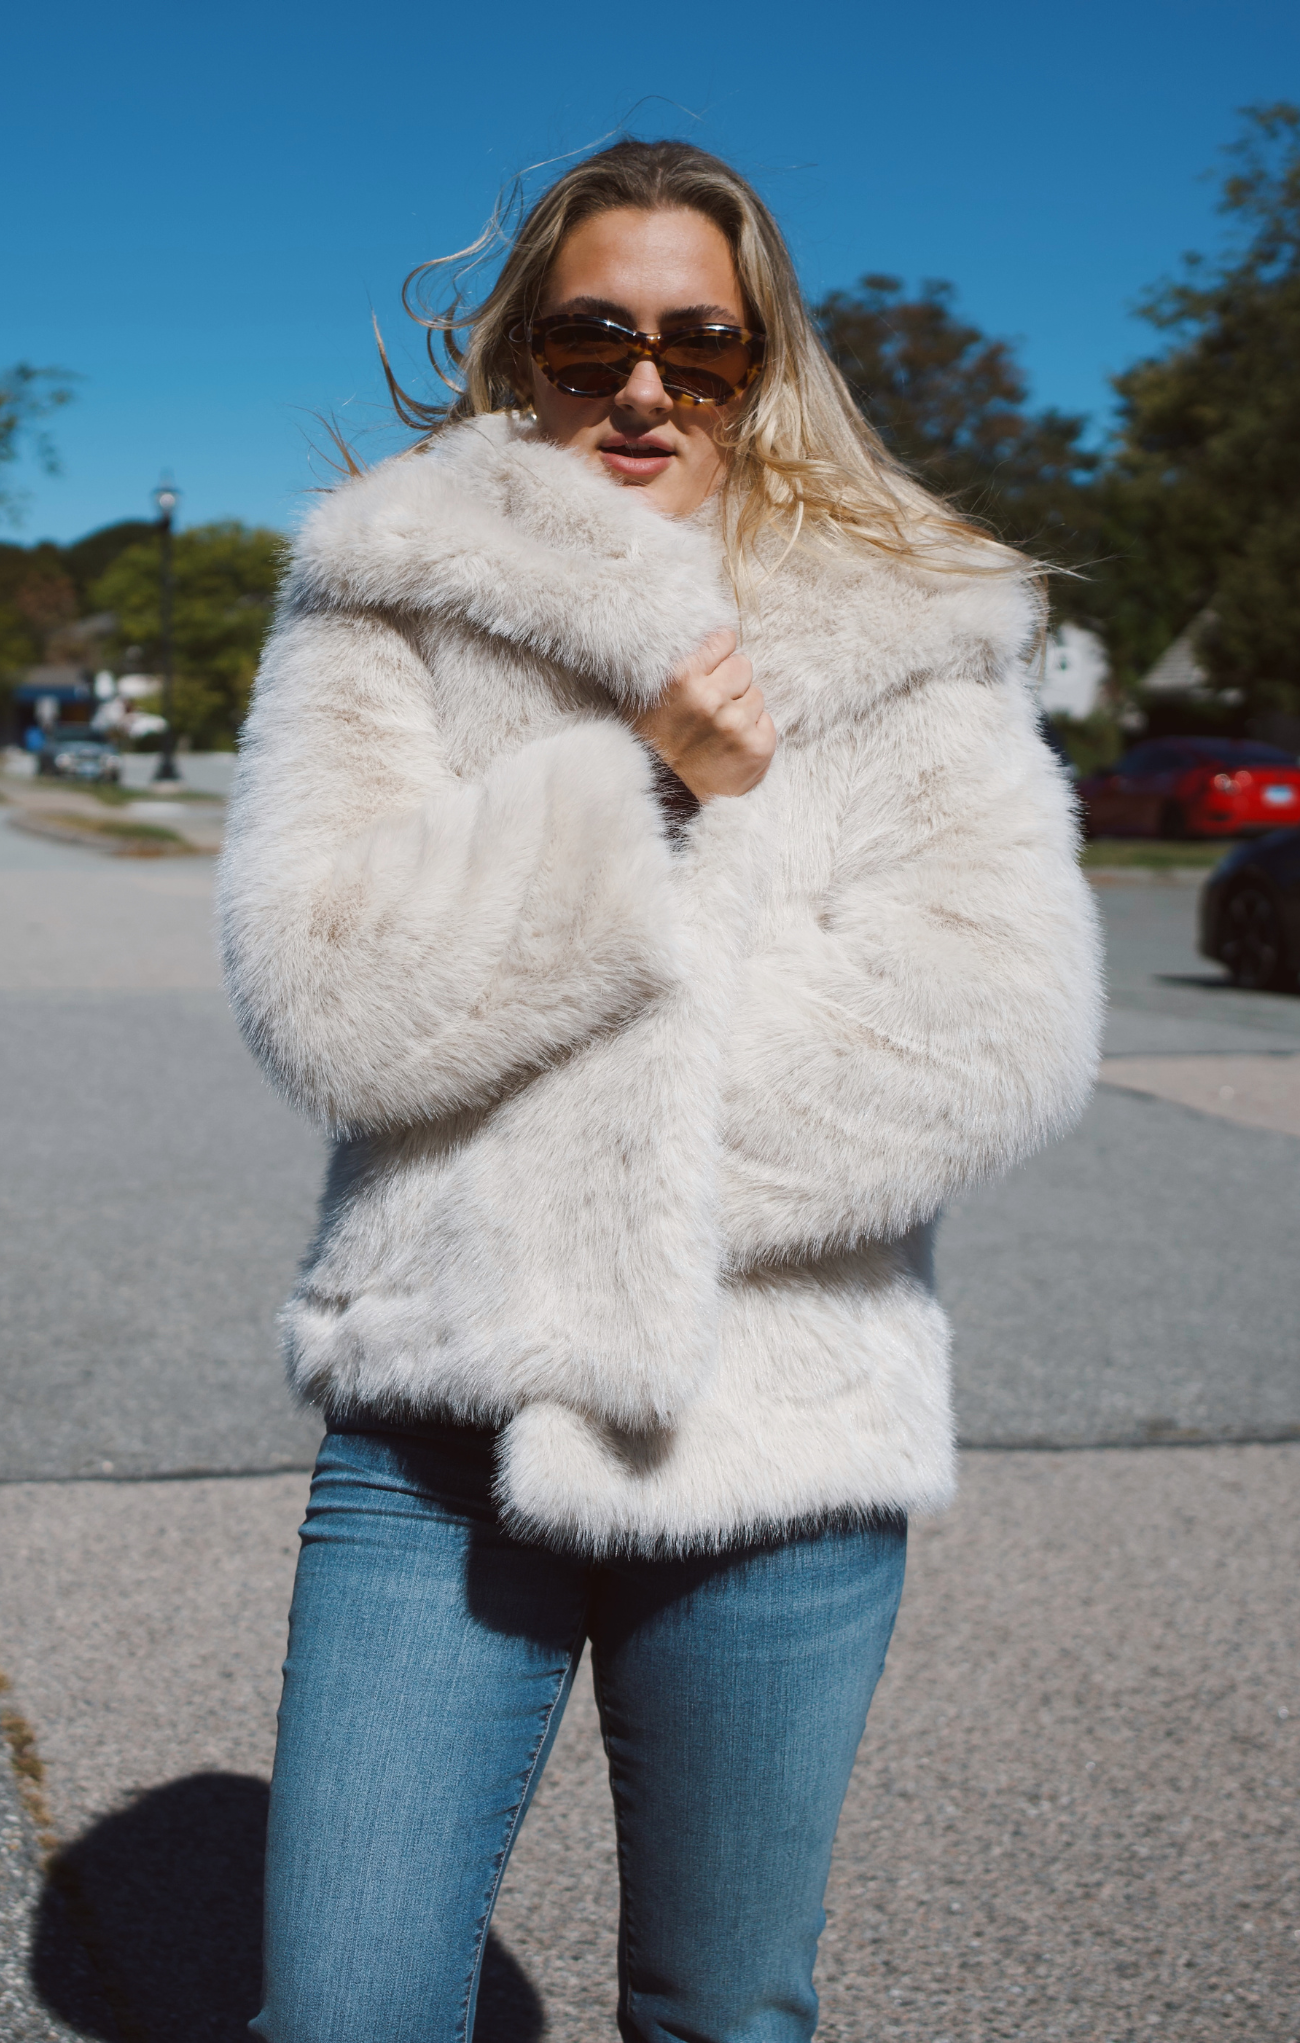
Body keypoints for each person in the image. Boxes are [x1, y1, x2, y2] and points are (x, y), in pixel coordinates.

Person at [220, 138, 1101, 2043]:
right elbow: (324, 993)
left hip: (780, 1429)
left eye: (700, 347)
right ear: (517, 352)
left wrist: (587, 1163)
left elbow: (989, 1024)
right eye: (590, 338)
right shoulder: (393, 588)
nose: (642, 386)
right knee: (342, 2016)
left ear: (765, 358)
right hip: (435, 1435)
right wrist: (641, 783)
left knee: (723, 2010)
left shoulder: (912, 622)